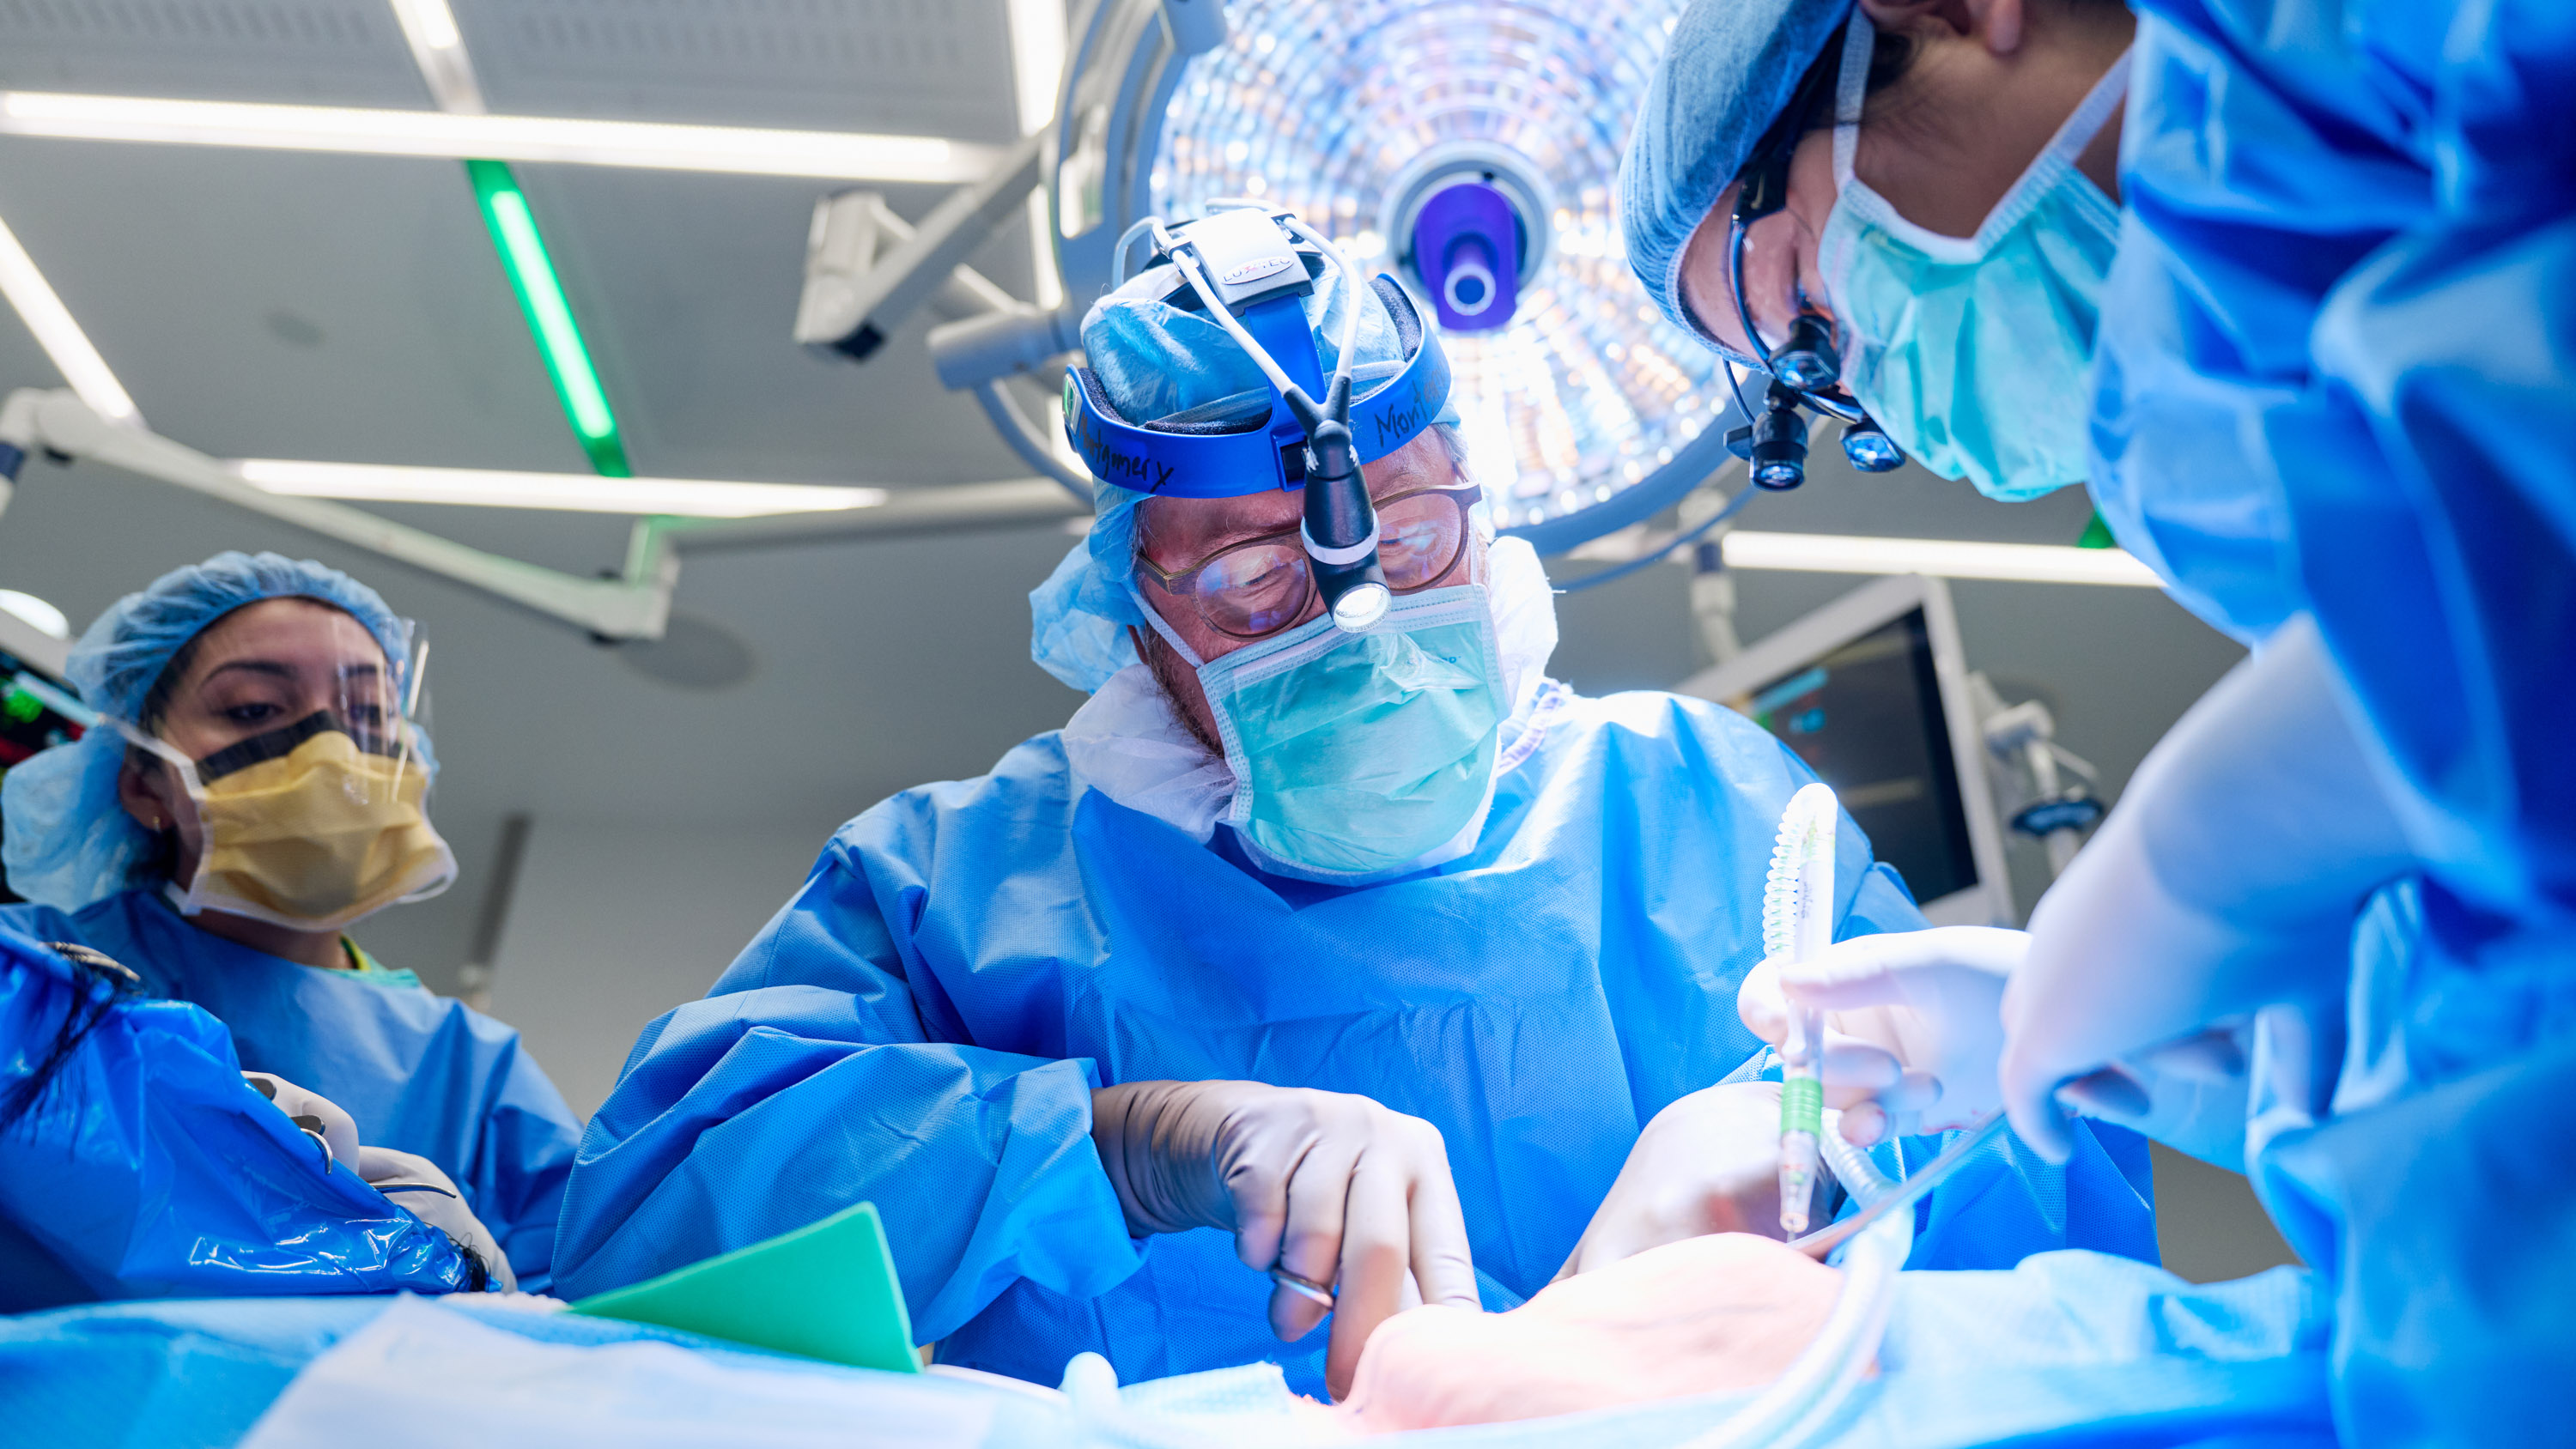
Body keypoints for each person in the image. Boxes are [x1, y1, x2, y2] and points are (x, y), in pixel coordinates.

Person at [551, 214, 2155, 1403]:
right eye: (1256, 583)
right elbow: (632, 1228)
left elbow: (2039, 1273)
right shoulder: (957, 885)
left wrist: (1836, 1142)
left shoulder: (1699, 809)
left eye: (1412, 535)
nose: (1359, 622)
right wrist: (1113, 1140)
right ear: (1133, 607)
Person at [1619, 1, 2575, 1443]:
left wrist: (2204, 863)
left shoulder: (2414, 45)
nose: (1860, 386)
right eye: (1803, 388)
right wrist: (2224, 1041)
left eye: (1805, 309)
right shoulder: (2268, 431)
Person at [0, 552, 581, 1294]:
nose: (334, 756)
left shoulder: (471, 1071)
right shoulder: (34, 978)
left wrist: (499, 1295)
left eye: (369, 716)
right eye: (252, 710)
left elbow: (584, 1313)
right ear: (143, 783)